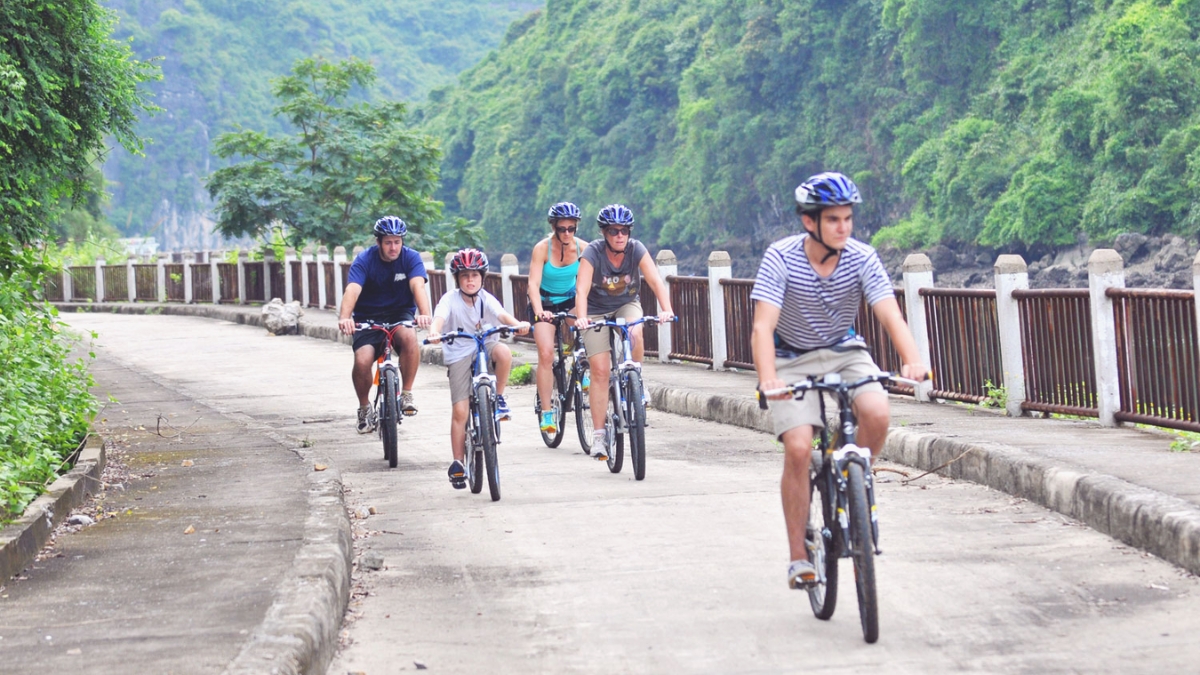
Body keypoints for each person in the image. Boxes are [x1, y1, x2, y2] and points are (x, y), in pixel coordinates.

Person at [750, 172, 927, 590]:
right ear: (810, 221)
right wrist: (768, 377)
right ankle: (798, 557)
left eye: (848, 218)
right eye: (833, 219)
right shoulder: (781, 257)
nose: (843, 227)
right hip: (790, 356)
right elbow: (762, 327)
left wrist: (913, 361)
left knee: (878, 413)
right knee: (797, 447)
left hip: (845, 350)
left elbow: (889, 313)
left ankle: (853, 479)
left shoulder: (862, 258)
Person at [573, 204, 674, 461]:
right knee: (600, 371)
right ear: (604, 233)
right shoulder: (593, 253)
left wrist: (667, 310)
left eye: (624, 231)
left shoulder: (636, 249)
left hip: (626, 303)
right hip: (595, 310)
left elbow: (654, 281)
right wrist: (582, 317)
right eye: (614, 231)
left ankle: (636, 379)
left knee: (635, 333)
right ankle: (598, 436)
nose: (620, 236)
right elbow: (582, 289)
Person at [426, 249, 530, 489]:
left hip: (486, 344)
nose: (470, 280)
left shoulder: (486, 297)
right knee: (460, 412)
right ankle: (458, 463)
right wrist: (434, 331)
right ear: (457, 279)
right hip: (459, 352)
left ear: (482, 276)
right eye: (464, 276)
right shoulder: (449, 299)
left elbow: (501, 315)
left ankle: (500, 398)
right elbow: (439, 318)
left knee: (504, 352)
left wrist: (518, 325)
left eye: (474, 275)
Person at [337, 216, 432, 434]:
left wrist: (425, 314)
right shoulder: (364, 260)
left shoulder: (411, 258)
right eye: (388, 242)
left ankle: (406, 392)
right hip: (368, 316)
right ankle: (363, 408)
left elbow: (418, 286)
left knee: (409, 337)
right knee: (362, 360)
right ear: (379, 242)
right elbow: (353, 289)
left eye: (397, 241)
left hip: (400, 313)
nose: (393, 247)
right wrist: (345, 317)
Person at [528, 201, 590, 434]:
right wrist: (539, 311)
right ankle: (546, 412)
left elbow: (589, 282)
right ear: (553, 227)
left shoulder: (584, 248)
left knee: (587, 329)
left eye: (571, 228)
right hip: (544, 301)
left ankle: (581, 361)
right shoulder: (542, 249)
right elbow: (532, 284)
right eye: (561, 229)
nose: (566, 233)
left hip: (570, 299)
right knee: (546, 354)